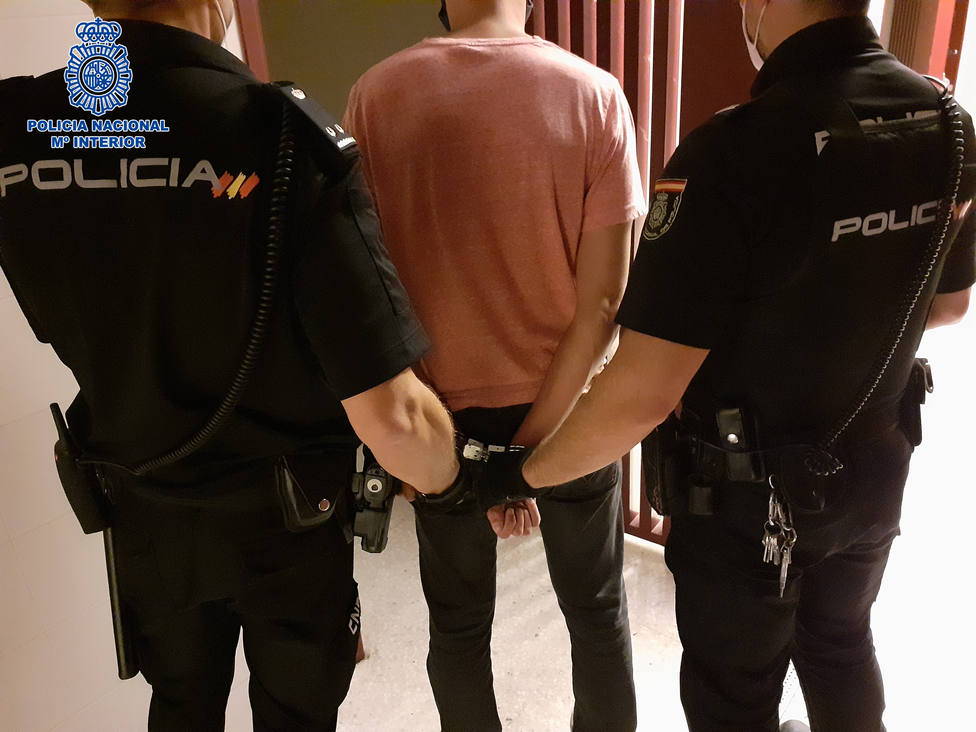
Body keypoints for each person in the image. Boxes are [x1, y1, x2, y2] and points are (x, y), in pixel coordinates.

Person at [489, 1, 976, 731]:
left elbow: (642, 392)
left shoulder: (733, 151)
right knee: (841, 643)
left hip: (748, 498)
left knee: (735, 692)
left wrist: (524, 473)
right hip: (874, 467)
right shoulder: (949, 123)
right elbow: (949, 306)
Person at [0, 1, 466, 730]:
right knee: (295, 714)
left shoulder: (15, 125)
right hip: (286, 526)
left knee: (179, 706)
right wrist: (455, 478)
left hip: (143, 512)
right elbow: (398, 418)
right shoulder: (281, 138)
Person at [344, 0, 646, 729]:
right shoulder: (595, 96)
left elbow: (365, 295)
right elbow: (604, 306)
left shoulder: (375, 97)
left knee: (457, 625)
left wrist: (444, 450)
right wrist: (526, 460)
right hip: (568, 416)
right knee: (597, 612)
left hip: (439, 421)